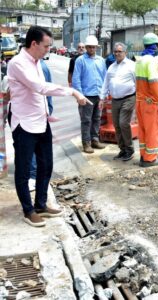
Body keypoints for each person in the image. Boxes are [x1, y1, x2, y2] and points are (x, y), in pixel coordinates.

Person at [7, 26, 88, 227]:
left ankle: (41, 204)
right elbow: (40, 88)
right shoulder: (18, 63)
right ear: (34, 44)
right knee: (24, 170)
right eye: (46, 46)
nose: (48, 50)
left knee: (46, 165)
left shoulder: (36, 62)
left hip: (41, 122)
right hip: (24, 123)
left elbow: (38, 95)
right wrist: (72, 92)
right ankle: (28, 210)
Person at [100, 42, 136, 162]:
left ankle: (130, 149)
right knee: (116, 125)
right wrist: (102, 98)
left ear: (125, 52)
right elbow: (106, 83)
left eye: (119, 51)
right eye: (115, 51)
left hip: (129, 98)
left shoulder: (132, 65)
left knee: (123, 123)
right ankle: (123, 149)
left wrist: (139, 98)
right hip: (115, 100)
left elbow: (138, 82)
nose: (117, 53)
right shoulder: (112, 66)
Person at [135, 33, 158, 167]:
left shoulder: (139, 60)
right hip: (150, 102)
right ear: (154, 46)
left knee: (143, 130)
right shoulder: (152, 62)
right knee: (153, 130)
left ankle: (143, 156)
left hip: (140, 101)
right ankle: (151, 159)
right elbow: (153, 84)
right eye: (157, 45)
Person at [72, 35, 107, 153]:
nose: (92, 49)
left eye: (94, 47)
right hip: (86, 95)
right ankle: (86, 143)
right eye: (90, 47)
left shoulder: (101, 60)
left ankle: (95, 140)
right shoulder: (80, 60)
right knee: (86, 120)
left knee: (97, 118)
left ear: (96, 47)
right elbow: (76, 80)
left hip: (98, 95)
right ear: (86, 47)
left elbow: (104, 78)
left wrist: (104, 95)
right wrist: (80, 96)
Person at [29, 58, 53, 192]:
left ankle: (34, 177)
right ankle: (34, 177)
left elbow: (47, 90)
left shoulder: (42, 67)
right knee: (37, 150)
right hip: (33, 116)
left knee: (37, 150)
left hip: (36, 116)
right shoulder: (22, 66)